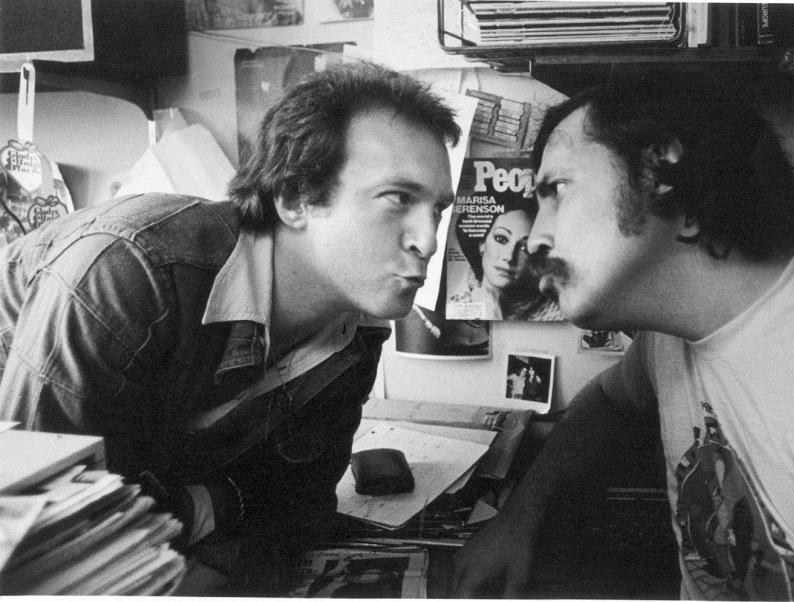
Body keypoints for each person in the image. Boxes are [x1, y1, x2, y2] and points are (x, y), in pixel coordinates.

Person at [451, 81, 794, 600]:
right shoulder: (669, 337)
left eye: (556, 190)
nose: (536, 238)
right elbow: (608, 403)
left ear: (661, 165)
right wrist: (518, 520)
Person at [0, 61, 459, 593]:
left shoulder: (355, 330)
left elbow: (300, 508)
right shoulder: (129, 271)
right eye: (398, 199)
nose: (427, 241)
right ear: (295, 199)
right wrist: (216, 504)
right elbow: (37, 535)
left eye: (439, 210)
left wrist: (214, 554)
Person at [447, 196, 561, 320]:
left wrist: (495, 316)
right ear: (482, 244)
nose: (509, 256)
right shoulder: (457, 307)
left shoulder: (553, 314)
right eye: (501, 239)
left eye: (524, 248)